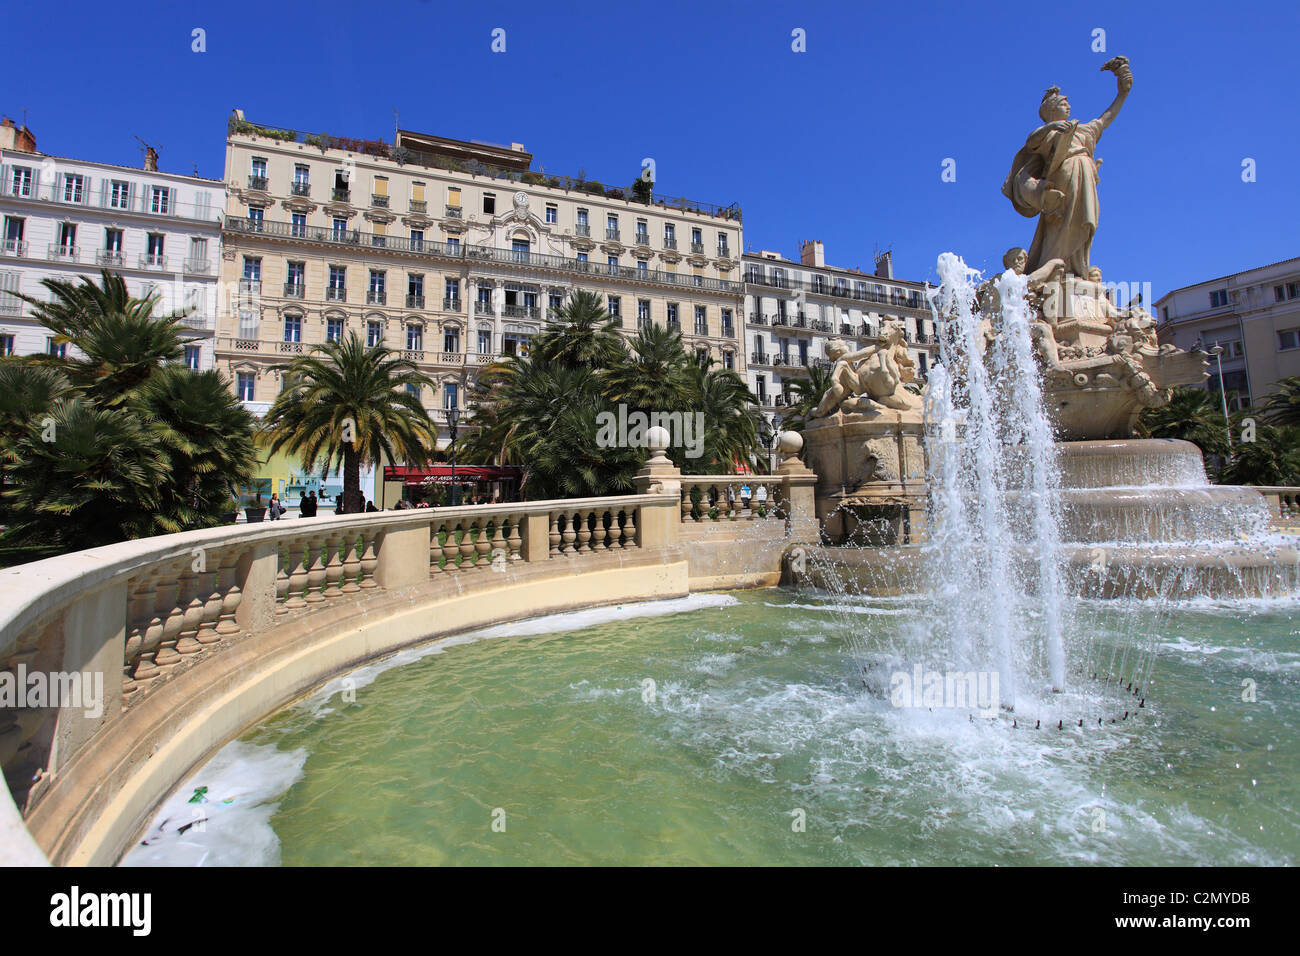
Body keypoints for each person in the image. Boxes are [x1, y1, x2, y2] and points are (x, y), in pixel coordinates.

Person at [1002, 56, 1132, 278]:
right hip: (1064, 176)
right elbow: (1031, 141)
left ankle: (1078, 268)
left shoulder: (1083, 130)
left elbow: (1106, 118)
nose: (1069, 105)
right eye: (1063, 103)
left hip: (1086, 175)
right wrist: (1051, 126)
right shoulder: (1049, 133)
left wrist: (1122, 92)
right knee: (1061, 221)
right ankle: (1055, 268)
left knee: (1087, 222)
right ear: (1051, 110)